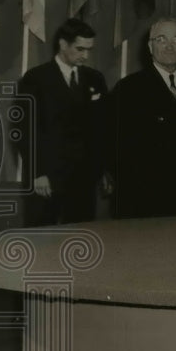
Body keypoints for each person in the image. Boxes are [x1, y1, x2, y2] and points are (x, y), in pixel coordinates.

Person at [109, 18, 176, 218]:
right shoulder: (129, 88)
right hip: (142, 198)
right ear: (150, 46)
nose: (170, 46)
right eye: (161, 39)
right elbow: (116, 145)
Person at [16, 19, 110, 226]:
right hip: (47, 179)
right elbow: (25, 129)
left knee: (81, 240)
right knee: (41, 239)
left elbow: (101, 128)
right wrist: (37, 172)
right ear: (62, 44)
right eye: (80, 49)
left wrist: (103, 169)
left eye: (89, 50)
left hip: (84, 179)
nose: (85, 55)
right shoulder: (36, 78)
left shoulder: (95, 78)